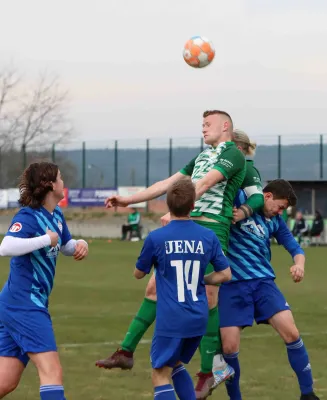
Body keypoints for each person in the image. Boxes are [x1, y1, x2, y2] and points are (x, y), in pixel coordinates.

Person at [96, 109, 246, 395]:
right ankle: (126, 352)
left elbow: (204, 184)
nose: (203, 129)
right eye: (201, 124)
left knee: (209, 296)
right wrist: (127, 200)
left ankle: (209, 369)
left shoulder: (233, 154)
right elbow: (166, 184)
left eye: (208, 124)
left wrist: (177, 211)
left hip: (211, 228)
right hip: (188, 224)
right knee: (153, 288)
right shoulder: (201, 157)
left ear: (225, 126)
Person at [216, 179, 319, 400]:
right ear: (268, 196)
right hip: (231, 285)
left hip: (263, 283)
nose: (280, 212)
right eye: (280, 206)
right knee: (229, 346)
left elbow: (295, 247)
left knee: (291, 332)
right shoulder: (240, 201)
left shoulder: (275, 221)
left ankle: (308, 394)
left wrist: (298, 264)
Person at [133, 178, 232, 400]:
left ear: (168, 205)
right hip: (198, 317)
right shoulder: (208, 236)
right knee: (175, 364)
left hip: (171, 318)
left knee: (159, 374)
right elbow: (226, 274)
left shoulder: (156, 237)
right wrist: (201, 279)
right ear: (193, 206)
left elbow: (139, 273)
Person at [0, 162, 89, 400]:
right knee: (52, 372)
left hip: (20, 305)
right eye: (60, 178)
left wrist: (80, 245)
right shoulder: (28, 216)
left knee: (5, 381)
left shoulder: (56, 214)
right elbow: (6, 247)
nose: (63, 182)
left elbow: (65, 245)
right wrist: (43, 240)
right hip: (24, 305)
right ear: (50, 185)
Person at [211, 128, 265, 390]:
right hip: (216, 238)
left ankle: (211, 367)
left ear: (239, 148)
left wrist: (242, 212)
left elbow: (257, 197)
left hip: (226, 247)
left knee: (207, 302)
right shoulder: (224, 166)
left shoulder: (246, 168)